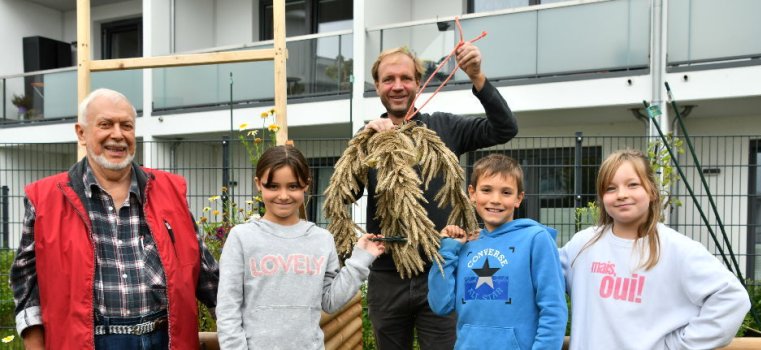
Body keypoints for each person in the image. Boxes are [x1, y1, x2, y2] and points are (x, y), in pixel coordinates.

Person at [10, 88, 219, 349]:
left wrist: (235, 328)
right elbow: (26, 282)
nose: (118, 135)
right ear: (81, 133)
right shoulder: (45, 198)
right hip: (91, 341)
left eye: (126, 126)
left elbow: (207, 274)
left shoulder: (170, 191)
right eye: (105, 125)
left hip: (166, 339)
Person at [360, 42, 518, 350]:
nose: (397, 86)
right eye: (388, 79)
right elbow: (347, 191)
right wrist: (368, 140)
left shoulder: (446, 127)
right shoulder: (368, 136)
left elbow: (504, 128)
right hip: (387, 276)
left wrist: (477, 77)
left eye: (405, 78)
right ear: (377, 86)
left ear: (419, 83)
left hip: (441, 271)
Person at [559, 149, 751, 350]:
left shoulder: (678, 249)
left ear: (651, 190)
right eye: (610, 188)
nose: (622, 195)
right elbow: (536, 274)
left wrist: (679, 346)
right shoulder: (582, 245)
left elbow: (732, 298)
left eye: (633, 185)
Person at [216, 145, 385, 349]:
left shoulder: (322, 240)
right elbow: (228, 308)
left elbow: (330, 301)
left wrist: (360, 260)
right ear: (258, 184)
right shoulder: (241, 238)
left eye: (293, 186)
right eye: (273, 186)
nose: (284, 195)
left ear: (306, 185)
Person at [428, 153, 567, 349]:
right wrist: (447, 250)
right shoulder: (466, 244)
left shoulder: (536, 239)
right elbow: (440, 304)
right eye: (486, 190)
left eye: (506, 192)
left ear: (519, 198)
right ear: (472, 193)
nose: (495, 200)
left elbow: (553, 309)